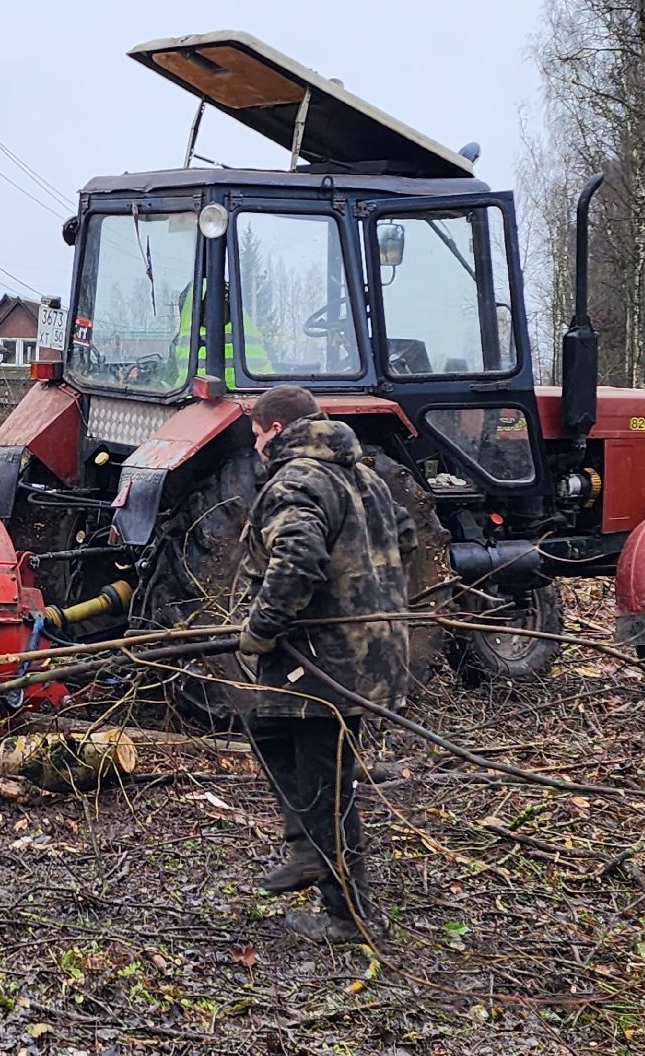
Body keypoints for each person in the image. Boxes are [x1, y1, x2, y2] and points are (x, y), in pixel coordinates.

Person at [232, 384, 415, 943]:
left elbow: (299, 558)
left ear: (274, 430)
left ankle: (348, 915)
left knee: (326, 778)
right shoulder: (366, 476)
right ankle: (308, 849)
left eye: (257, 435)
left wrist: (260, 630)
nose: (257, 446)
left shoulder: (297, 480)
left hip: (324, 658)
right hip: (369, 654)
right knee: (265, 723)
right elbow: (404, 537)